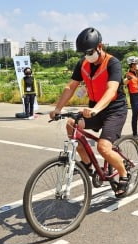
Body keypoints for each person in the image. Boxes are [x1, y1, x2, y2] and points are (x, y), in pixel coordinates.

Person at [49, 27, 129, 198]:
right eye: (84, 53)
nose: (87, 55)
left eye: (90, 51)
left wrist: (96, 109)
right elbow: (70, 87)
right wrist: (58, 108)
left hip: (114, 109)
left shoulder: (113, 62)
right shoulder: (83, 64)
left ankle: (124, 174)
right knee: (71, 125)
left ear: (100, 46)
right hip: (94, 109)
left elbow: (111, 89)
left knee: (103, 147)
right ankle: (87, 165)